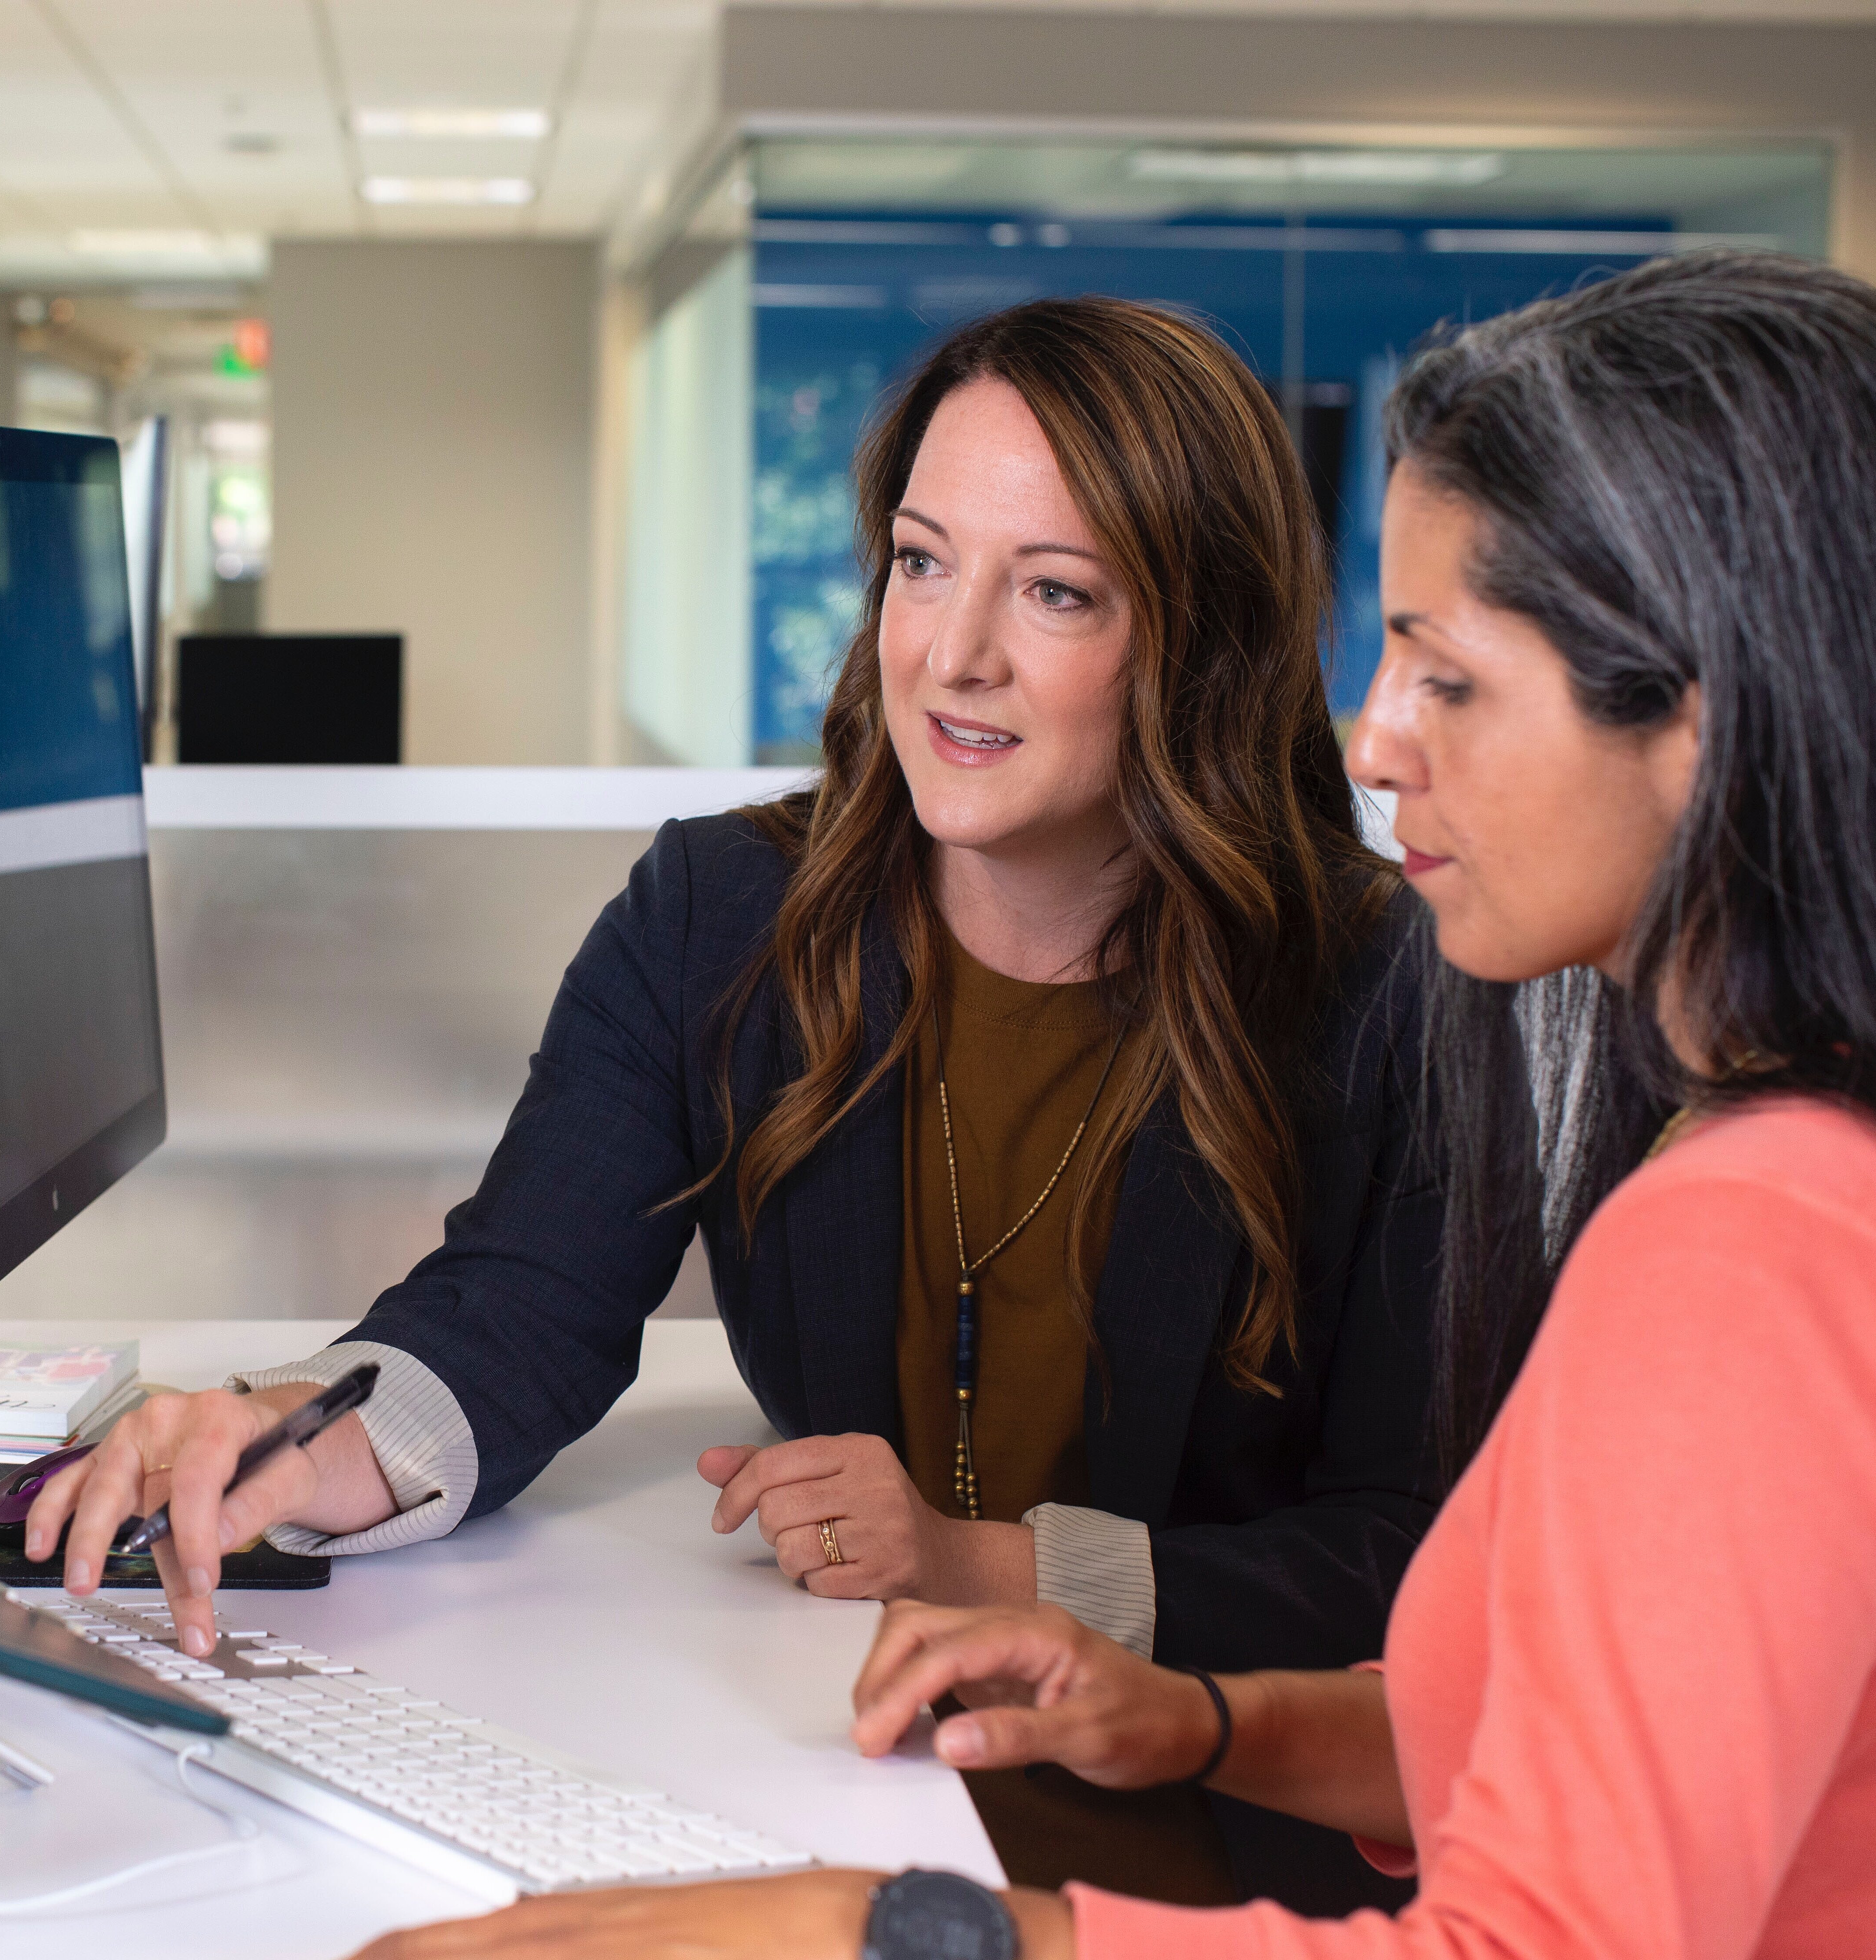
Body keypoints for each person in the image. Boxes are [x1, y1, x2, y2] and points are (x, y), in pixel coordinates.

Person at [346, 248, 1876, 1960]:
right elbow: (1547, 1726)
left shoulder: (1732, 1226)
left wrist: (887, 1929)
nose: (1377, 740)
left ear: (1704, 714)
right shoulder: (1748, 1162)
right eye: (920, 566)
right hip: (1018, 1757)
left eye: (1448, 672)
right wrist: (1194, 1717)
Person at [31, 297, 1443, 1907]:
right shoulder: (724, 917)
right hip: (840, 1776)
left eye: (1054, 592)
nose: (950, 654)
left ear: (1202, 643)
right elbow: (517, 1303)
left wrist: (993, 1565)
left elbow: (1406, 1553)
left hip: (1224, 1844)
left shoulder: (1382, 997)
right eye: (922, 563)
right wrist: (295, 1439)